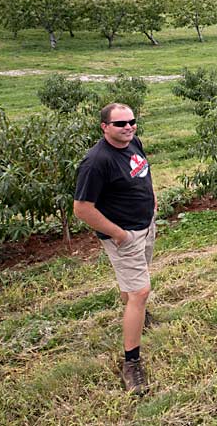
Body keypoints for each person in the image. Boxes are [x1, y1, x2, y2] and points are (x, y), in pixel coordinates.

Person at [74, 103, 157, 395]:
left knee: (137, 283)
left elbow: (144, 173)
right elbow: (82, 209)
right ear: (104, 127)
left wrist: (153, 203)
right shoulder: (97, 161)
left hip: (145, 225)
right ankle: (131, 364)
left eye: (132, 121)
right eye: (120, 124)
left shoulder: (133, 141)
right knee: (139, 291)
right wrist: (118, 234)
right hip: (125, 235)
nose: (128, 127)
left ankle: (139, 315)